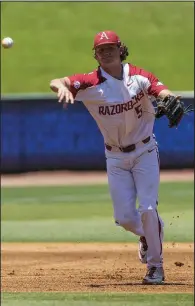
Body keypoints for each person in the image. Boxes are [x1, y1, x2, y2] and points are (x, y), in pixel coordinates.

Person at [50, 30, 178, 284]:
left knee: (148, 208)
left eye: (111, 47)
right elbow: (57, 81)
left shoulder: (139, 77)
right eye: (101, 49)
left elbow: (163, 91)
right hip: (115, 158)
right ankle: (148, 235)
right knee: (125, 218)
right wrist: (61, 88)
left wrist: (168, 98)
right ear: (95, 55)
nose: (106, 52)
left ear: (121, 49)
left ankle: (155, 267)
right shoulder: (90, 82)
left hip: (145, 151)